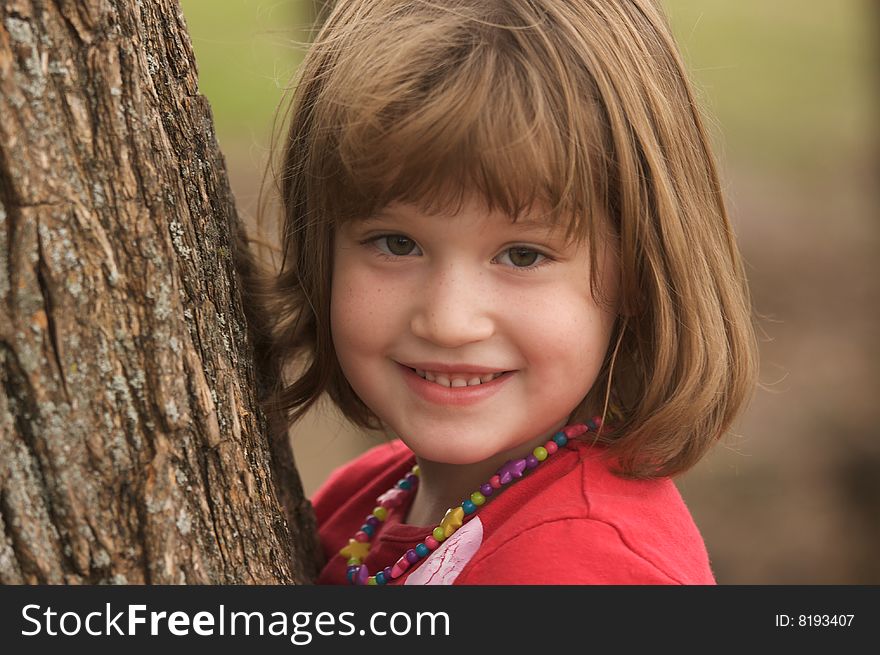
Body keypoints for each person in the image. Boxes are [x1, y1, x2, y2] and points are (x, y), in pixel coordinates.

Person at [237, 0, 758, 584]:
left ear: (638, 271)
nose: (449, 321)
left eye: (523, 255)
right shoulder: (369, 497)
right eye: (397, 243)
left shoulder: (584, 569)